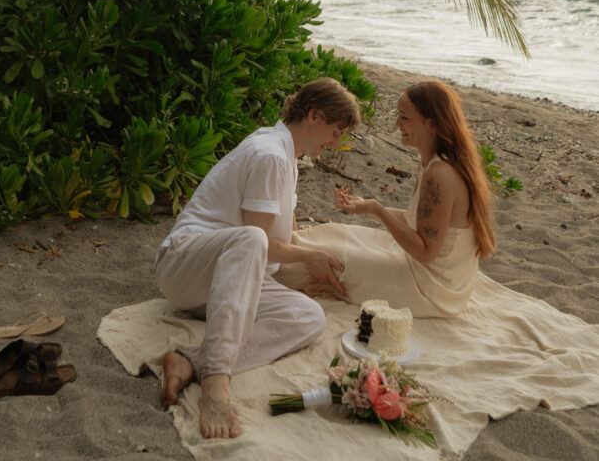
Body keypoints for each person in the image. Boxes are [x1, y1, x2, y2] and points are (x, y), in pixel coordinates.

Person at [156, 77, 361, 439]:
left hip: (226, 278)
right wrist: (308, 257)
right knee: (252, 238)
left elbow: (280, 235)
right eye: (334, 130)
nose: (336, 142)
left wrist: (317, 260)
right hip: (184, 265)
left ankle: (190, 360)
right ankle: (216, 382)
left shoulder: (288, 155)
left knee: (308, 316)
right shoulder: (270, 154)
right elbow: (260, 239)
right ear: (313, 115)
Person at [279, 80, 494, 318]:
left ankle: (275, 262)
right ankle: (286, 250)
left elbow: (425, 252)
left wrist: (378, 210)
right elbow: (423, 221)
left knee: (336, 258)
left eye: (404, 117)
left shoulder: (440, 174)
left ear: (431, 124)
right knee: (335, 233)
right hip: (432, 274)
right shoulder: (432, 162)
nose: (396, 123)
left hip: (431, 287)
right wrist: (367, 208)